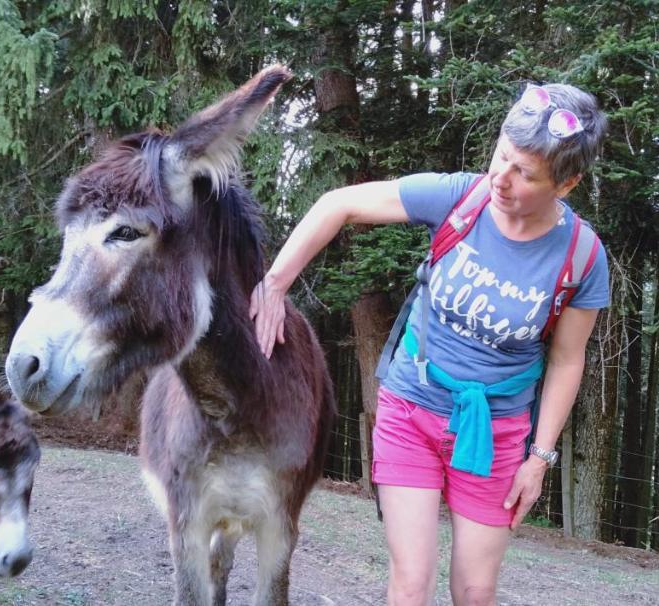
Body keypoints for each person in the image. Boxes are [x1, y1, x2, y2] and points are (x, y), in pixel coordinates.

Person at [250, 82, 610, 606]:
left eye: (524, 174)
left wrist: (540, 457)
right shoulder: (460, 198)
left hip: (497, 432)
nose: (500, 179)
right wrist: (275, 284)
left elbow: (566, 359)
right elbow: (339, 203)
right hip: (411, 410)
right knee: (410, 584)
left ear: (567, 184)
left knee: (475, 590)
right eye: (501, 156)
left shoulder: (582, 255)